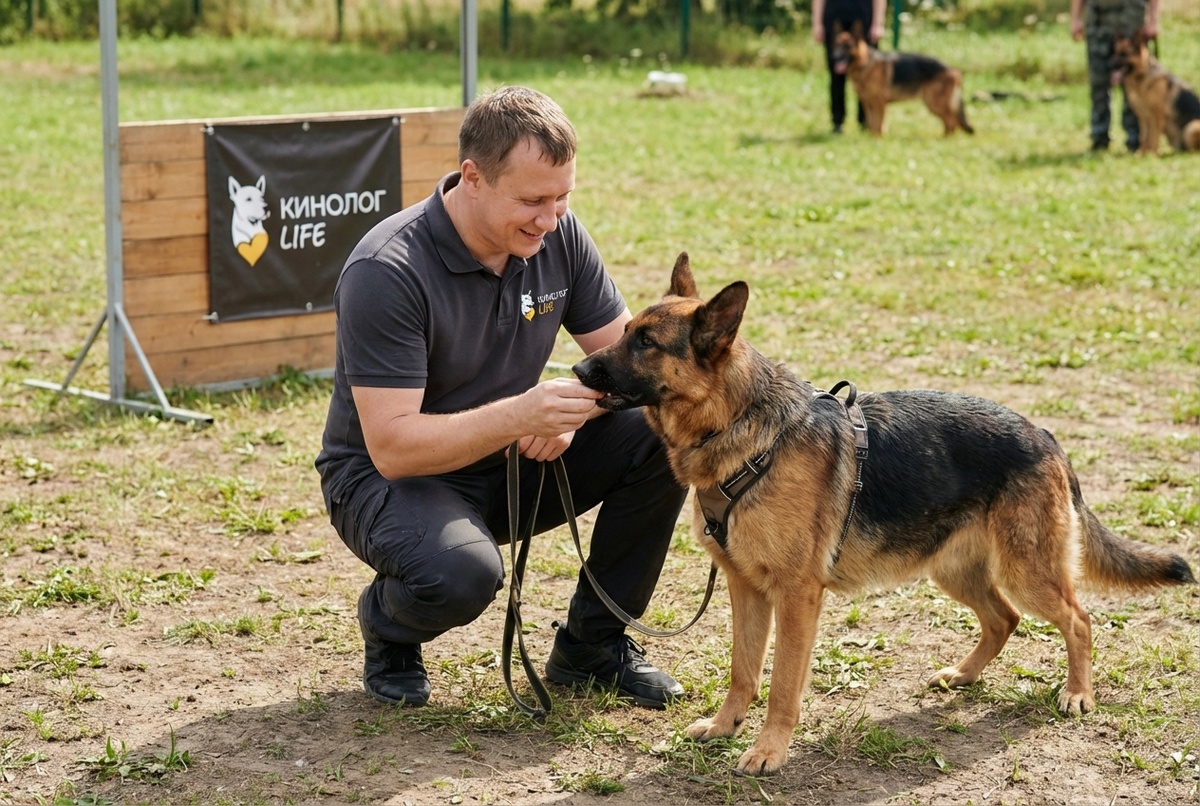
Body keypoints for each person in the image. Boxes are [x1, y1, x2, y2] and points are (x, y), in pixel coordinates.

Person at [315, 86, 688, 711]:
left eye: (563, 197)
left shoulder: (559, 237)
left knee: (660, 430)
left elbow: (631, 370)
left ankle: (592, 647)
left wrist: (577, 412)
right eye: (532, 200)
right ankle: (389, 626)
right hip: (390, 481)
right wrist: (522, 414)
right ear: (473, 178)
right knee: (460, 574)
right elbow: (393, 449)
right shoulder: (386, 270)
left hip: (513, 460)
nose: (551, 219)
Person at [1071, 0, 1159, 151]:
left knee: (1134, 82)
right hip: (1098, 20)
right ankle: (1099, 136)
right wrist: (1075, 19)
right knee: (1098, 82)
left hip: (1131, 18)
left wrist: (1153, 20)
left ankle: (1135, 138)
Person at [813, 0, 887, 134]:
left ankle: (866, 122)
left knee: (868, 78)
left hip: (864, 19)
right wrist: (817, 24)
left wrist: (878, 23)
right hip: (834, 18)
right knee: (836, 75)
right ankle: (837, 122)